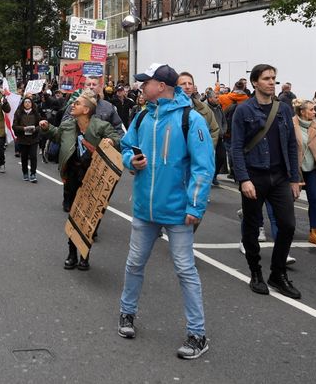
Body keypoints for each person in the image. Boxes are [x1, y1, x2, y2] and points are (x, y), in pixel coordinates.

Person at [117, 63, 214, 360]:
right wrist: (130, 162)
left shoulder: (191, 120)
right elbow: (126, 147)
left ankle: (197, 333)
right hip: (144, 209)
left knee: (185, 271)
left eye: (145, 83)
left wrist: (195, 205)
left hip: (177, 212)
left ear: (161, 86)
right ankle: (126, 313)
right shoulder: (143, 116)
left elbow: (203, 167)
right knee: (134, 264)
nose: (141, 87)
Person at [231, 64, 302, 299]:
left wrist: (294, 178)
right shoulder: (244, 111)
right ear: (255, 83)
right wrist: (244, 179)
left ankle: (278, 273)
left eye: (274, 78)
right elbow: (236, 148)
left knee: (288, 224)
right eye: (267, 78)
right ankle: (256, 272)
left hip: (280, 176)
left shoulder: (283, 109)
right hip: (255, 176)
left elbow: (292, 145)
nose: (272, 82)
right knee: (252, 226)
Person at [39, 90, 120, 270]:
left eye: (77, 103)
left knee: (88, 217)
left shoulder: (100, 125)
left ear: (86, 110)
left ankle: (84, 255)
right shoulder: (68, 125)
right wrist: (46, 128)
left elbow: (116, 137)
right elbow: (57, 136)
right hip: (72, 175)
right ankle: (71, 253)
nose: (73, 105)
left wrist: (111, 141)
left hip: (93, 176)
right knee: (74, 214)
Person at [292, 99, 316, 246]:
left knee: (314, 201)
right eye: (311, 109)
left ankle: (314, 232)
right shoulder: (291, 125)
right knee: (288, 200)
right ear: (302, 111)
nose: (314, 112)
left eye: (314, 109)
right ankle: (284, 227)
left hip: (312, 169)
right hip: (296, 169)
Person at [177, 72, 220, 147]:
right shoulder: (171, 109)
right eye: (183, 84)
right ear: (176, 87)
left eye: (190, 84)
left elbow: (214, 130)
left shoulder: (204, 108)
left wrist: (208, 149)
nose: (187, 87)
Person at [12, 95, 42, 182]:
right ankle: (25, 172)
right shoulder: (18, 113)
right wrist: (23, 128)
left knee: (33, 156)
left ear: (32, 104)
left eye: (29, 102)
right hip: (22, 139)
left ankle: (33, 174)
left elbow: (39, 125)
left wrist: (34, 129)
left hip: (33, 138)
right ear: (23, 104)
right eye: (26, 102)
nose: (27, 104)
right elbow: (14, 126)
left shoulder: (36, 113)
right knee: (24, 157)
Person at [206, 90, 227, 185]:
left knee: (222, 157)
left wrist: (223, 130)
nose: (218, 99)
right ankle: (207, 177)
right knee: (208, 159)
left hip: (219, 138)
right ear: (210, 98)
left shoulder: (219, 108)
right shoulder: (205, 108)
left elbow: (224, 121)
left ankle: (214, 175)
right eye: (216, 97)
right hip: (208, 138)